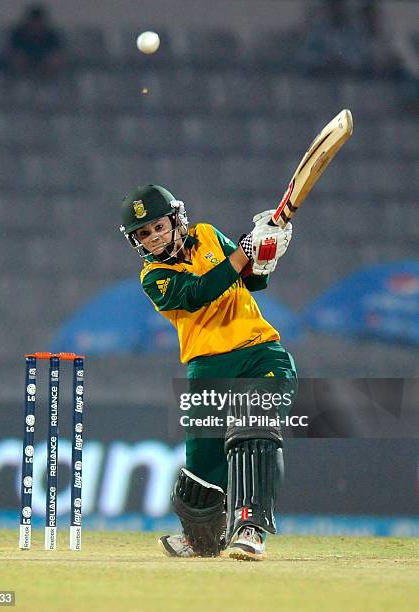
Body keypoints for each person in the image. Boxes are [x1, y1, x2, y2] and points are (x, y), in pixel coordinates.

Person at [120, 184, 297, 561]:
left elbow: (252, 279)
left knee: (255, 426)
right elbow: (200, 291)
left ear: (176, 218)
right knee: (201, 474)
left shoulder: (206, 234)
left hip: (260, 353)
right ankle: (202, 540)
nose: (154, 238)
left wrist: (266, 252)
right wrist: (244, 253)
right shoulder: (153, 277)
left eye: (158, 226)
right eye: (144, 234)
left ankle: (251, 528)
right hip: (207, 367)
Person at [6, 4, 65, 76]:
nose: (36, 25)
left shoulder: (51, 34)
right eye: (34, 22)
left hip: (46, 63)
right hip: (23, 64)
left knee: (55, 61)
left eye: (38, 22)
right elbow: (11, 50)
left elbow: (58, 52)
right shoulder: (18, 34)